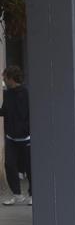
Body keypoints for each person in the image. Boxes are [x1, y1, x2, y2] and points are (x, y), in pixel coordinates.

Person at [0, 66, 31, 206]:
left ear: (11, 78)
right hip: (11, 137)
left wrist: (27, 129)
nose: (3, 80)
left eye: (5, 78)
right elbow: (4, 111)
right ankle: (17, 195)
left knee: (30, 167)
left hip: (26, 137)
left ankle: (32, 194)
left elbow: (31, 113)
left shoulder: (26, 93)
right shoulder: (7, 94)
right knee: (9, 164)